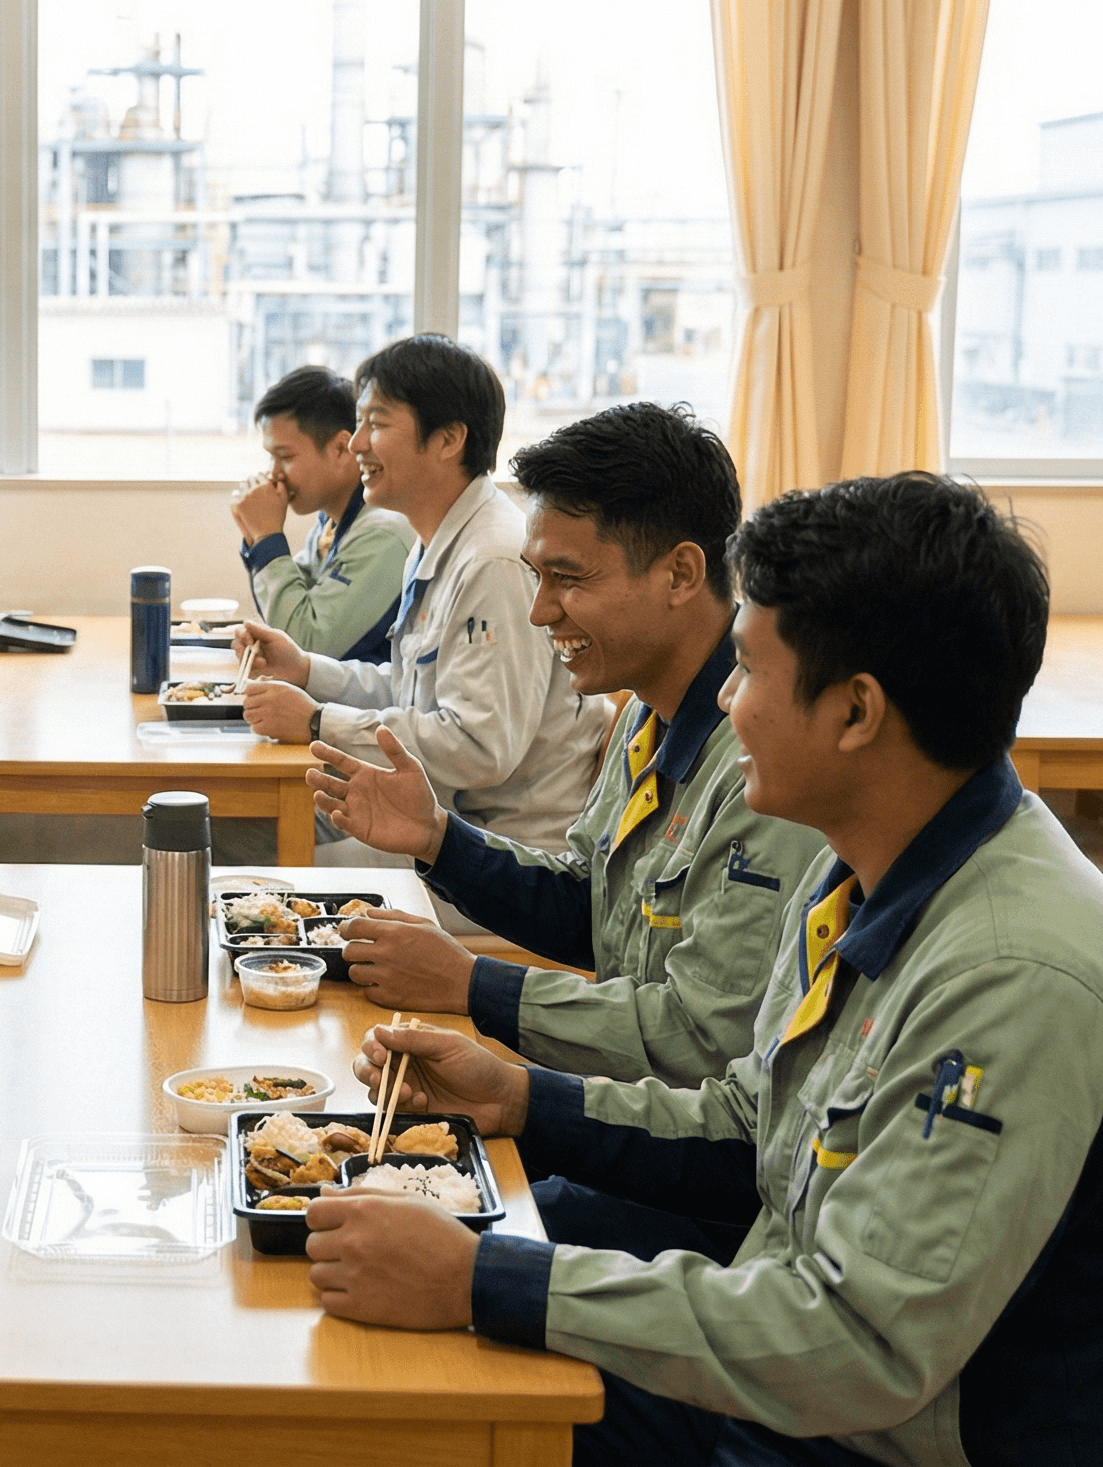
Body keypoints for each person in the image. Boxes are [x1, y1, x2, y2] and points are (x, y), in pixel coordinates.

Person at [305, 473, 1103, 1467]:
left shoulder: (1016, 976)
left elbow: (859, 1344)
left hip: (892, 1435)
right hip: (817, 1387)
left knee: (423, 1408)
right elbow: (756, 1125)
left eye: (746, 669)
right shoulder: (864, 864)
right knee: (414, 1371)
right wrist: (523, 1096)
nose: (726, 702)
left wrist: (489, 1280)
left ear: (856, 713)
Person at [305, 403, 821, 1089]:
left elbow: (701, 1043)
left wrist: (474, 986)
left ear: (681, 574)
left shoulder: (763, 761)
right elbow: (593, 909)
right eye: (538, 577)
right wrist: (436, 838)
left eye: (569, 579)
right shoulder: (645, 710)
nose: (540, 610)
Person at [235, 334, 607, 860]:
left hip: (498, 853)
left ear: (449, 439)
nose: (357, 443)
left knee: (257, 856)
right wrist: (308, 671)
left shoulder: (493, 561)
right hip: (436, 816)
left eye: (378, 424)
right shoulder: (436, 541)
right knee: (237, 824)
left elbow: (479, 747)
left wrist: (320, 721)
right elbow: (416, 694)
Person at [232, 364, 415, 661]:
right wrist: (255, 537)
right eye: (271, 458)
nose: (274, 475)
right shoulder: (330, 523)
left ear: (342, 448)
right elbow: (293, 610)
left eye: (285, 457)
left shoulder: (383, 532)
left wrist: (266, 538)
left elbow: (307, 644)